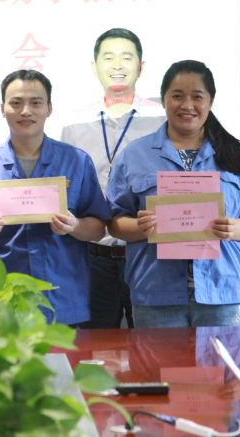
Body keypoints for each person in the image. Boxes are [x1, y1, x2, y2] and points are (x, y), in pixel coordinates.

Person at [106, 60, 240, 328]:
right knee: (160, 358)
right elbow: (114, 222)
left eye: (197, 96)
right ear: (163, 100)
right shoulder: (134, 155)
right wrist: (139, 227)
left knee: (222, 358)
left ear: (210, 101)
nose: (187, 105)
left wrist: (235, 228)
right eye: (177, 96)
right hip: (156, 291)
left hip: (223, 289)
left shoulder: (239, 154)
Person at [0, 69, 110, 326]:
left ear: (49, 108)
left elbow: (99, 228)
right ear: (2, 109)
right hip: (2, 304)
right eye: (16, 103)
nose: (26, 111)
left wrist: (75, 226)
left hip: (63, 300)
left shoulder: (77, 161)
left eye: (35, 103)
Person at [59, 28, 165, 329]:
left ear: (141, 67)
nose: (117, 65)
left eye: (126, 57)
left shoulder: (162, 119)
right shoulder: (73, 122)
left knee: (154, 346)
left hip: (149, 255)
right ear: (94, 68)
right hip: (93, 257)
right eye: (108, 58)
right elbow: (66, 189)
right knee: (93, 348)